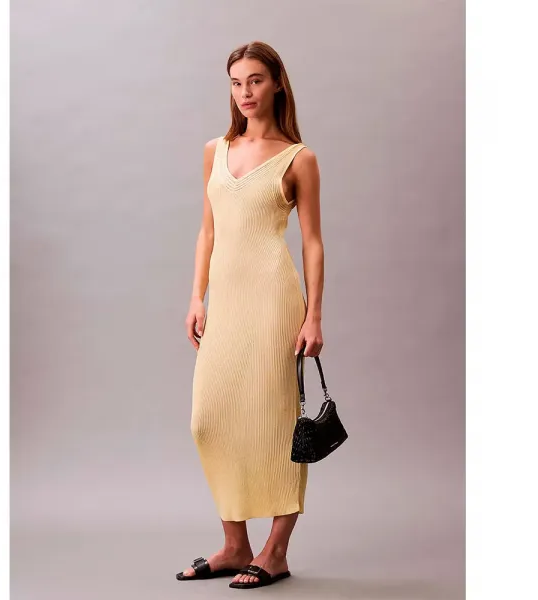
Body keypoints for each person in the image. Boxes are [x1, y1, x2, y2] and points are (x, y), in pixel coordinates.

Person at [178, 40, 325, 590]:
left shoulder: (298, 158)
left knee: (279, 421)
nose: (245, 92)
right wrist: (197, 297)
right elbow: (208, 230)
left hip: (274, 300)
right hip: (227, 302)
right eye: (237, 82)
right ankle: (235, 544)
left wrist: (314, 316)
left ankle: (275, 550)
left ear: (277, 83)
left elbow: (312, 242)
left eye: (256, 80)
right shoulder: (215, 150)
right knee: (209, 419)